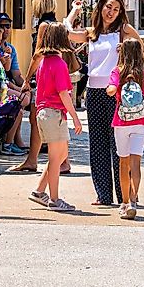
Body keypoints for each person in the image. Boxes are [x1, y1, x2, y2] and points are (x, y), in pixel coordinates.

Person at [64, 0, 144, 207]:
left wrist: (126, 55)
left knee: (119, 144)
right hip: (94, 91)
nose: (111, 12)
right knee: (97, 144)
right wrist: (75, 10)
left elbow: (142, 52)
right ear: (101, 8)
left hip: (116, 92)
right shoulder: (92, 33)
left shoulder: (124, 31)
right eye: (109, 7)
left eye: (116, 9)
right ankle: (103, 194)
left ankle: (125, 195)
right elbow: (68, 32)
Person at [13, 0, 81, 174]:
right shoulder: (57, 24)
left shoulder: (44, 26)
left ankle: (35, 160)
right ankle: (52, 160)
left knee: (38, 119)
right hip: (59, 74)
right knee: (55, 116)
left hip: (46, 76)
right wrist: (75, 9)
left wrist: (27, 79)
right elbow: (69, 21)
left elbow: (38, 54)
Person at [28, 22, 84, 212]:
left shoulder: (44, 62)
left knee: (60, 155)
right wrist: (75, 118)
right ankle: (54, 199)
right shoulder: (59, 64)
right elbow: (63, 93)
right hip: (54, 113)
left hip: (46, 112)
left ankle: (39, 191)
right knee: (55, 157)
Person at [106, 38, 144, 219]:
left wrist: (114, 88)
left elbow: (111, 89)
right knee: (136, 162)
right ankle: (134, 198)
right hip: (141, 121)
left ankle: (125, 202)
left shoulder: (117, 71)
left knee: (123, 163)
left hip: (121, 122)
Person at [0, 21, 26, 155]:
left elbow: (7, 69)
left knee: (20, 105)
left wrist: (6, 58)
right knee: (18, 108)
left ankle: (12, 140)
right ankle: (8, 144)